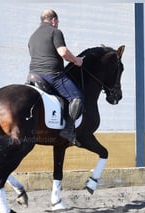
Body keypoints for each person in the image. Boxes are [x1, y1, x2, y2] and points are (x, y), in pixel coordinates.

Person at [28, 9, 84, 145]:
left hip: (33, 76)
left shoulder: (33, 36)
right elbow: (63, 52)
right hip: (52, 75)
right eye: (57, 22)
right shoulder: (55, 32)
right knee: (77, 98)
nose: (57, 24)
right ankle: (68, 131)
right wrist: (77, 61)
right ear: (53, 20)